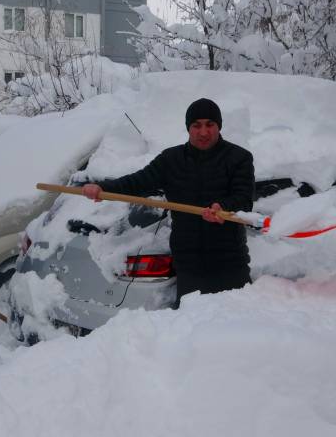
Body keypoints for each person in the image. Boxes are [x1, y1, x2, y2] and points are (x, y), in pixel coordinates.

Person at [82, 98, 255, 306]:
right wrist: (103, 189)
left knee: (236, 328)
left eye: (210, 124)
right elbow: (138, 182)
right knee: (194, 329)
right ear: (188, 128)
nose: (203, 132)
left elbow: (244, 200)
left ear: (219, 126)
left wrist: (224, 208)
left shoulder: (239, 158)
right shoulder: (171, 160)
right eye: (196, 125)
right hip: (190, 266)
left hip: (230, 263)